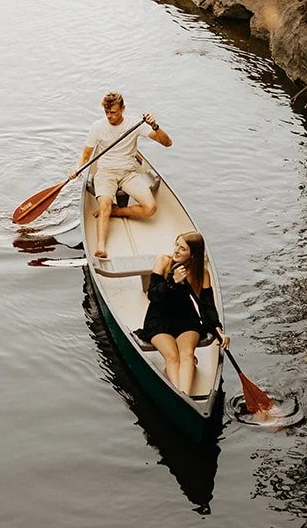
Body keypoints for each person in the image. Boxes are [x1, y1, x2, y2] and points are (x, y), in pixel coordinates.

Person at [79, 90, 171, 259]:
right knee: (105, 204)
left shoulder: (134, 124)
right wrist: (76, 170)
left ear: (123, 108)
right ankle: (101, 246)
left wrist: (155, 126)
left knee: (151, 208)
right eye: (106, 112)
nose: (109, 116)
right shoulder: (98, 127)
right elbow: (86, 156)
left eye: (113, 112)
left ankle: (116, 212)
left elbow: (167, 143)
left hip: (129, 173)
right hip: (106, 173)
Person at [139, 231, 229, 394]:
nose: (176, 251)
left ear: (192, 254)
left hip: (186, 318)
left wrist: (218, 331)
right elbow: (153, 295)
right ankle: (180, 396)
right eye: (176, 245)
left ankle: (184, 395)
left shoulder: (201, 273)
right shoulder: (163, 261)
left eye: (182, 248)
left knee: (187, 354)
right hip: (159, 317)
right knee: (172, 357)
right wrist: (172, 281)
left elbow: (207, 306)